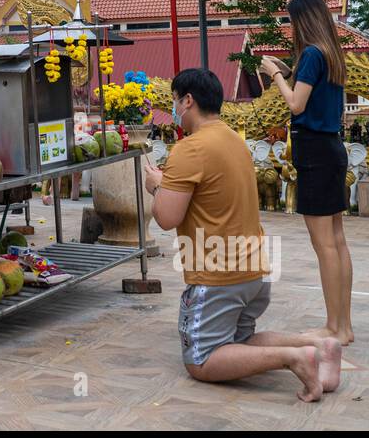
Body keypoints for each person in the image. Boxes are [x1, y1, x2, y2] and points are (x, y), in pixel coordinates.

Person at [143, 68, 341, 402]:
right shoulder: (235, 140)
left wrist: (157, 186)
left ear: (188, 100)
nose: (175, 109)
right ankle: (319, 347)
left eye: (175, 101)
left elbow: (166, 217)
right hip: (255, 271)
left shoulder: (189, 149)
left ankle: (293, 358)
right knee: (239, 342)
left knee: (201, 360)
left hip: (219, 275)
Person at [260, 0, 354, 345]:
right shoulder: (330, 54)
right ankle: (344, 326)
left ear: (302, 19)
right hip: (332, 149)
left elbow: (297, 105)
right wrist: (290, 70)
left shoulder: (312, 54)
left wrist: (274, 74)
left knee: (324, 245)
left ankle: (334, 327)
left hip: (314, 152)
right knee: (338, 241)